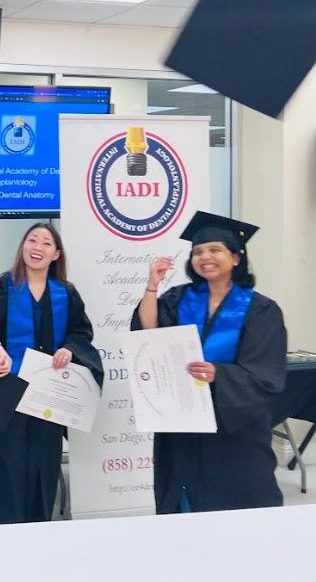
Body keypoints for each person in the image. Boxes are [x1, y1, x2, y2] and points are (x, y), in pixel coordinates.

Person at [132, 211, 286, 513]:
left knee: (239, 504)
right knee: (183, 498)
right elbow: (148, 333)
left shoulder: (262, 310)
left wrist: (220, 374)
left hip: (233, 428)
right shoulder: (178, 298)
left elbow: (266, 374)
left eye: (215, 250)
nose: (205, 257)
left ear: (236, 258)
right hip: (183, 421)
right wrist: (152, 286)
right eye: (198, 251)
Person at [0, 222, 103, 525]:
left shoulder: (66, 294)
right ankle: (3, 530)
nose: (38, 247)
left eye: (47, 243)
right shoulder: (1, 286)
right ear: (23, 247)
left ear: (56, 254)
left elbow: (80, 332)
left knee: (42, 463)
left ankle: (38, 528)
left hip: (47, 395)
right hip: (7, 391)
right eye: (32, 240)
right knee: (5, 461)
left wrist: (69, 350)